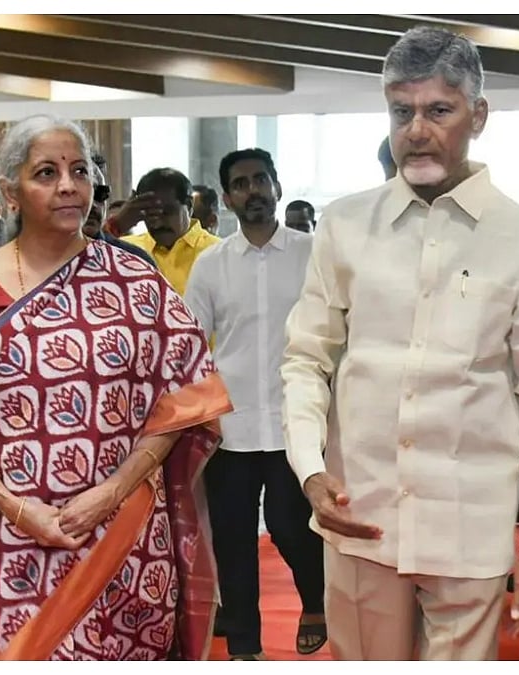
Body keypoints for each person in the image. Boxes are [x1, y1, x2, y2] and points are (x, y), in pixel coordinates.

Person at [282, 26, 519, 660]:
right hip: (360, 512)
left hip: (470, 524)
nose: (416, 130)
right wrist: (309, 468)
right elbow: (306, 358)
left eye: (439, 110)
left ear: (479, 115)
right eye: (401, 111)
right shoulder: (345, 225)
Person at [0, 114, 232, 661]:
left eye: (79, 170)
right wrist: (17, 508)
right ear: (10, 190)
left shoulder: (136, 278)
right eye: (46, 172)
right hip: (9, 539)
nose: (68, 185)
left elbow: (182, 404)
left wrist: (110, 492)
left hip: (125, 528)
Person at [184, 148, 323, 661]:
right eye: (240, 184)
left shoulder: (315, 252)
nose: (253, 191)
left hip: (297, 422)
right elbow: (192, 343)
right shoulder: (212, 264)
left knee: (292, 526)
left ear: (277, 186)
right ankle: (244, 648)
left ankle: (316, 600)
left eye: (260, 180)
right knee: (234, 542)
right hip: (233, 425)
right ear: (226, 199)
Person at [122, 168, 221, 295]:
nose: (158, 223)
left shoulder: (217, 253)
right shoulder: (127, 251)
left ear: (189, 206)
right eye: (150, 213)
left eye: (167, 212)